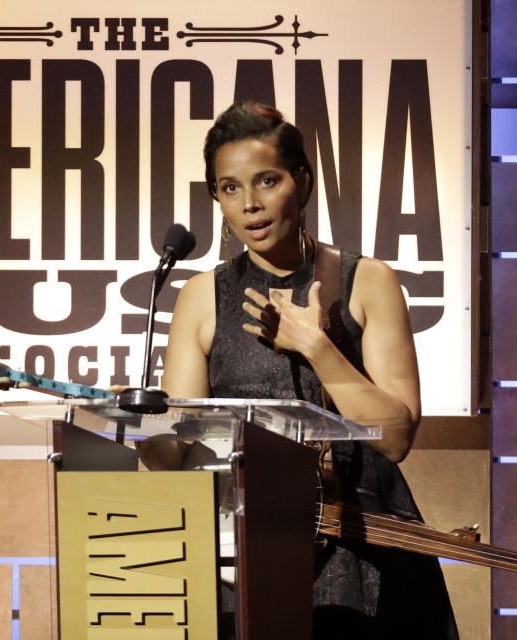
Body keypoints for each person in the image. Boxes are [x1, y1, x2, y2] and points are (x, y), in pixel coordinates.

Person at [161, 102, 459, 639]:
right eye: (230, 188)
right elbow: (177, 458)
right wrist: (133, 426)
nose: (250, 204)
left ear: (302, 181)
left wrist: (317, 346)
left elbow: (395, 437)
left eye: (267, 181)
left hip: (359, 549)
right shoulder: (202, 297)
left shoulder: (367, 281)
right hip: (240, 555)